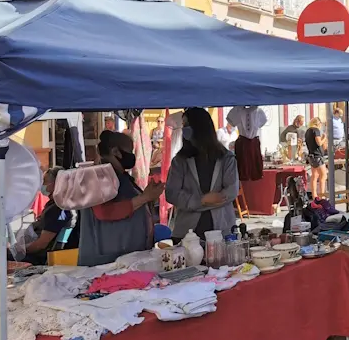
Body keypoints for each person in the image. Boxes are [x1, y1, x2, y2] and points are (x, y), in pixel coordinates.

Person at [78, 131, 164, 266]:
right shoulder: (98, 176)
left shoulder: (120, 176)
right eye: (129, 151)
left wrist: (149, 197)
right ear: (115, 151)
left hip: (126, 256)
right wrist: (144, 197)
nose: (132, 155)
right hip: (106, 260)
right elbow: (104, 212)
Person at [166, 107, 239, 240]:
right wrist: (202, 201)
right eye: (183, 126)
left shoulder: (226, 158)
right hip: (187, 233)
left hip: (222, 230)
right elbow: (171, 194)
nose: (184, 129)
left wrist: (194, 204)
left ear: (200, 127)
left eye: (187, 125)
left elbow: (231, 192)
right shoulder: (180, 160)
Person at [15, 167, 72, 265]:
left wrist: (19, 251)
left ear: (56, 184)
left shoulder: (57, 209)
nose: (42, 185)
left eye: (45, 181)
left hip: (41, 256)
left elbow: (41, 245)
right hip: (41, 250)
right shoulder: (62, 204)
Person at [304, 117, 328, 198]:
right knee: (323, 175)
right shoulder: (316, 130)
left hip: (311, 155)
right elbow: (319, 143)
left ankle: (314, 195)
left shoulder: (308, 131)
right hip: (317, 156)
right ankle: (322, 195)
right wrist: (324, 137)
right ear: (318, 124)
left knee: (314, 176)